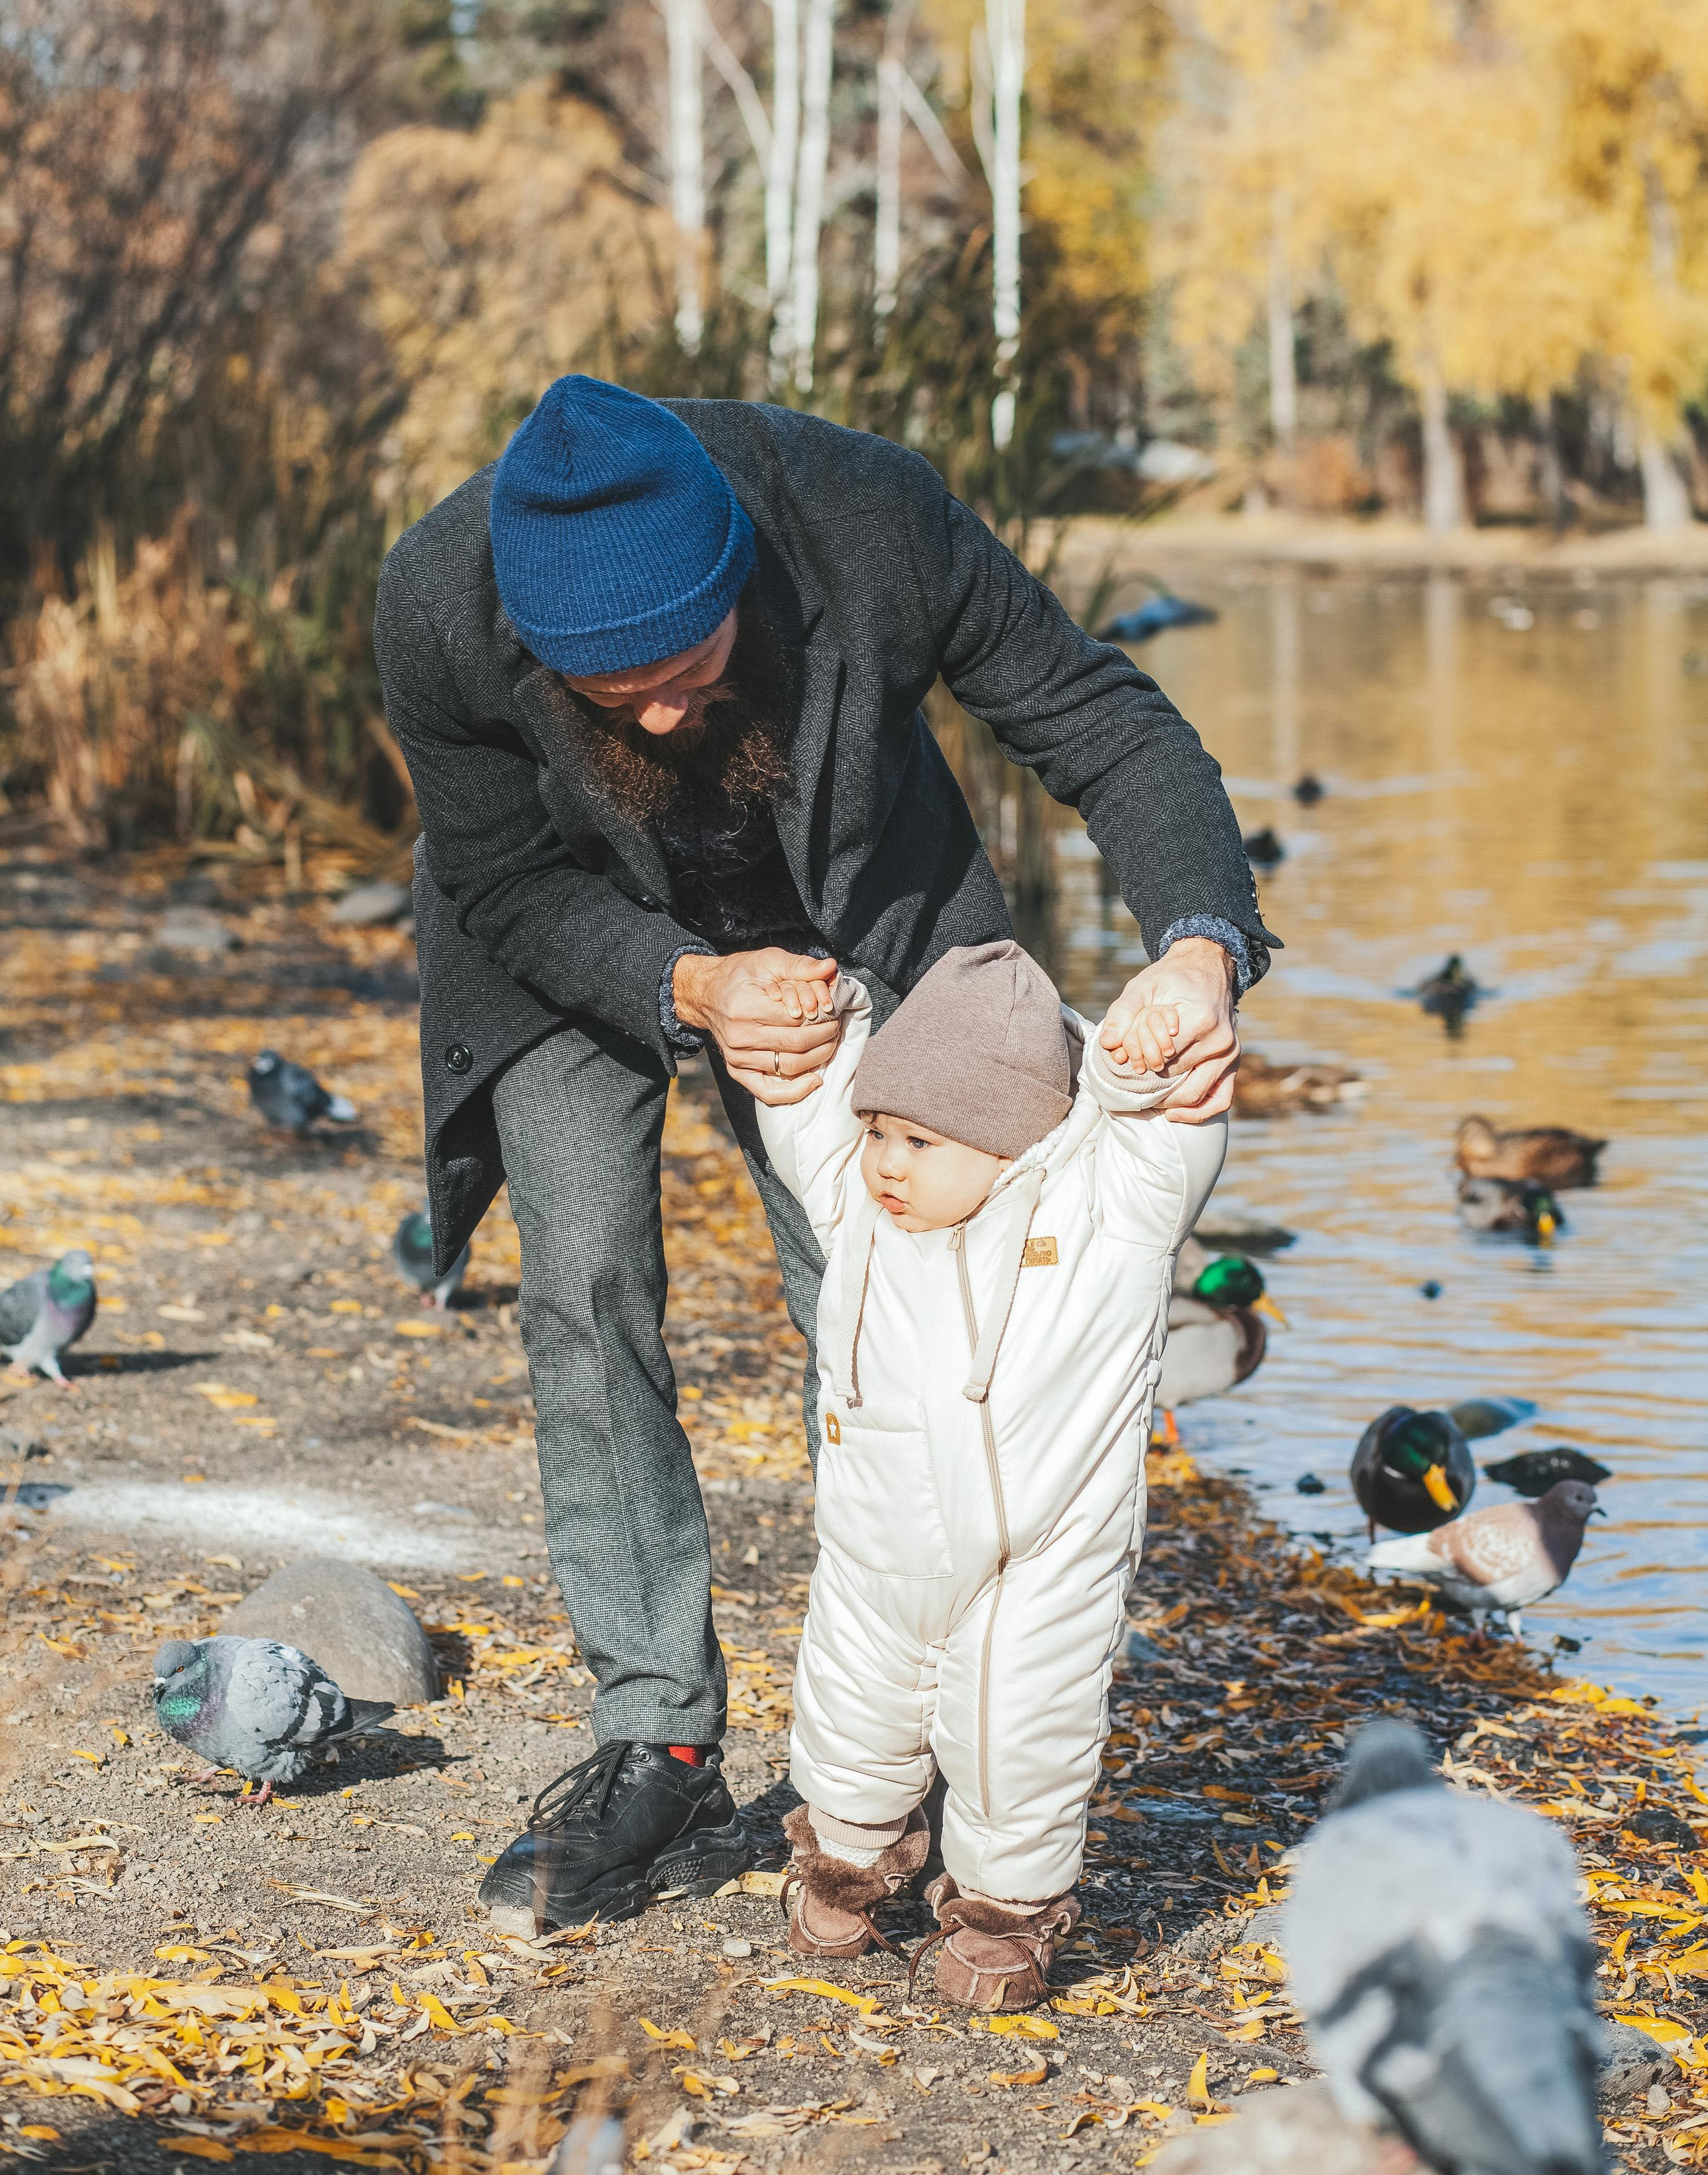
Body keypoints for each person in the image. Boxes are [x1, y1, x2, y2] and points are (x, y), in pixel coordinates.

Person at [373, 372, 1274, 1934]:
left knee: (894, 1316)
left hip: (874, 921)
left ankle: (895, 1754)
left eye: (688, 665)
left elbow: (1103, 725)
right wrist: (689, 986)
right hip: (581, 946)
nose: (661, 712)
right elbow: (500, 879)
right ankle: (650, 1735)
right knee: (585, 1283)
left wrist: (1196, 948)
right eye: (612, 693)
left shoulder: (873, 518)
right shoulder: (439, 601)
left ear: (739, 568)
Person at [752, 940, 1224, 2005]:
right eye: (877, 1131)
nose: (886, 1163)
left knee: (1024, 1736)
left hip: (1043, 1557)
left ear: (1012, 1141)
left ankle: (1009, 1913)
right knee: (851, 1716)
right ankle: (847, 1859)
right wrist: (827, 1021)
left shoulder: (1104, 1221)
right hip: (879, 1545)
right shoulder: (860, 1209)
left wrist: (1135, 1064)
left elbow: (1166, 1139)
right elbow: (808, 1104)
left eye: (919, 1139)